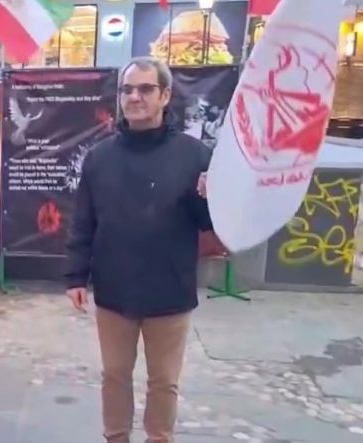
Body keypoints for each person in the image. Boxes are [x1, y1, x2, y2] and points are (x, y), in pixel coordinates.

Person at [64, 57, 213, 443]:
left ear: (165, 95)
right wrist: (76, 276)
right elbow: (83, 221)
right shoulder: (99, 158)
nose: (134, 97)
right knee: (114, 375)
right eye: (127, 90)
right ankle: (116, 437)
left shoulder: (195, 156)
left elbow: (209, 223)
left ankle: (158, 438)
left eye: (145, 89)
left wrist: (208, 197)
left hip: (171, 290)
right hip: (115, 290)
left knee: (164, 381)